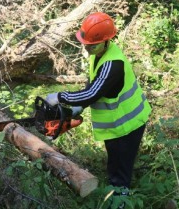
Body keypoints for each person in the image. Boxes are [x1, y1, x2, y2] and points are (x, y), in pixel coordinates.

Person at [45, 12, 151, 208]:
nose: (86, 47)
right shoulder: (100, 54)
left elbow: (93, 92)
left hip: (127, 125)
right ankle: (116, 197)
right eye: (85, 43)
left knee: (120, 172)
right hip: (118, 123)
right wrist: (80, 105)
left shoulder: (113, 64)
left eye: (91, 44)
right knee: (115, 165)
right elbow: (94, 85)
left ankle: (120, 203)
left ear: (106, 41)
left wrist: (60, 97)